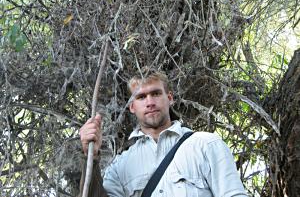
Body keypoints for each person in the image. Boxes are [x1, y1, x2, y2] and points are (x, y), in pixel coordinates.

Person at [79, 71, 248, 197]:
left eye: (156, 93)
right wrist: (90, 157)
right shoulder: (119, 166)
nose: (150, 102)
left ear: (170, 98)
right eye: (141, 97)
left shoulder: (206, 144)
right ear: (132, 107)